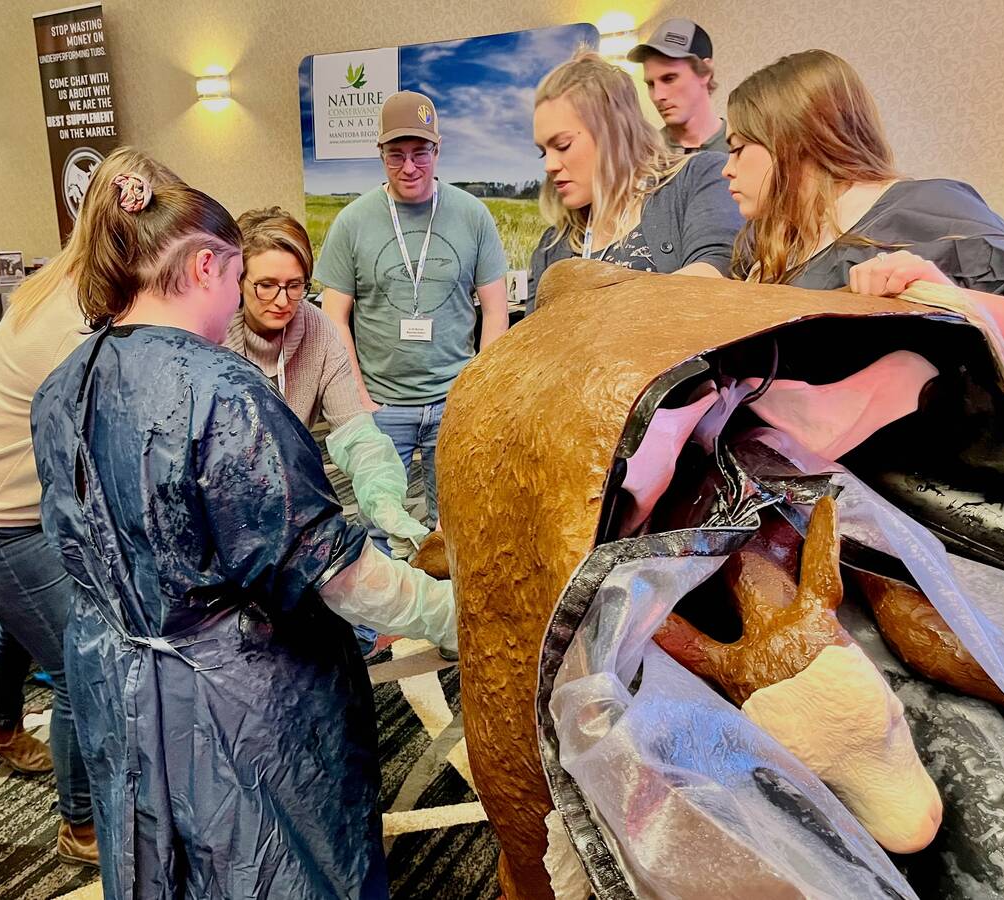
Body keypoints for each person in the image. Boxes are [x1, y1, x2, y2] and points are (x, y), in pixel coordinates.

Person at [30, 157, 457, 897]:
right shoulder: (222, 393)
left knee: (157, 864)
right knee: (272, 867)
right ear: (206, 265)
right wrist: (455, 612)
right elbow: (337, 575)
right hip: (237, 709)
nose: (244, 299)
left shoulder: (63, 384)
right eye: (239, 278)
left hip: (117, 686)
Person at [0, 148, 178, 868]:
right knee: (77, 664)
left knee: (28, 615)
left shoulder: (65, 277)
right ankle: (82, 827)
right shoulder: (77, 321)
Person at [719, 49, 1004, 443]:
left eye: (738, 147)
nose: (727, 168)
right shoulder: (766, 245)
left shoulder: (927, 212)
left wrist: (952, 302)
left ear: (793, 141)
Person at [223, 207, 433, 657]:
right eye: (266, 285)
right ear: (238, 279)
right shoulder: (215, 333)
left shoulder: (316, 330)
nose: (282, 300)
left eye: (295, 285)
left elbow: (357, 430)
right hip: (228, 502)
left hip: (295, 493)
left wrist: (384, 500)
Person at [315, 91, 509, 530]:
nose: (409, 168)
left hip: (454, 402)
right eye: (395, 155)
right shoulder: (353, 221)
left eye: (420, 154)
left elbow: (496, 312)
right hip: (384, 406)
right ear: (380, 153)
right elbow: (334, 319)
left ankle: (448, 599)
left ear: (438, 150)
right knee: (383, 526)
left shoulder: (472, 216)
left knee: (458, 525)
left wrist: (476, 391)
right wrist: (361, 400)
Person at [527, 49, 743, 310]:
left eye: (562, 145)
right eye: (543, 153)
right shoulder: (552, 246)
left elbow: (718, 272)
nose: (549, 166)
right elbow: (534, 341)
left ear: (612, 133)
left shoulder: (698, 178)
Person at [629, 17, 729, 154]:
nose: (658, 96)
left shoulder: (744, 150)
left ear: (705, 72)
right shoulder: (643, 155)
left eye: (669, 79)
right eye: (651, 84)